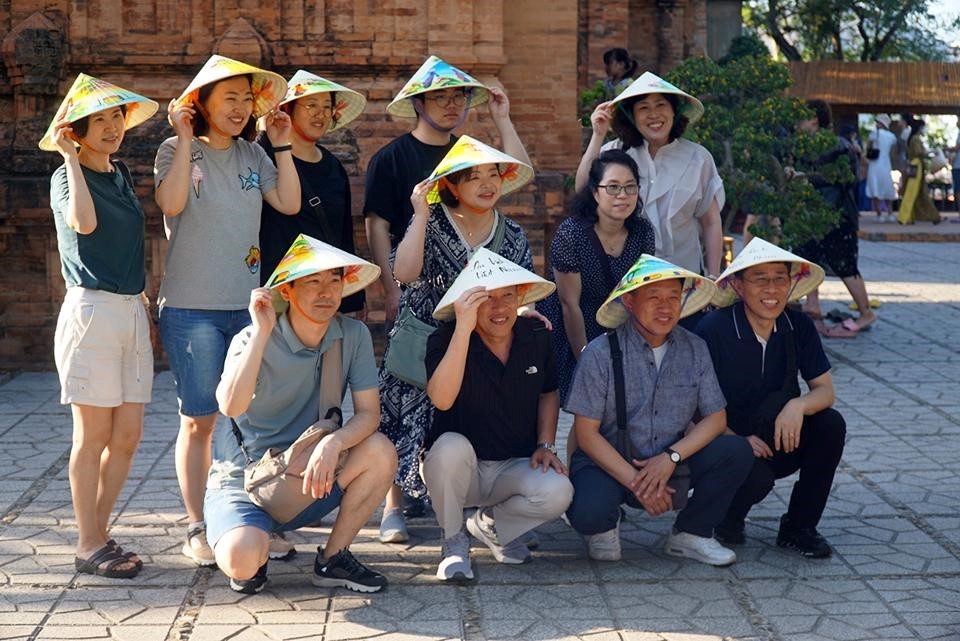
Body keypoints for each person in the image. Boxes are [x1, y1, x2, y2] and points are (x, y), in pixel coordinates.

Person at [154, 55, 301, 566]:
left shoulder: (254, 157)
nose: (239, 109)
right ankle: (197, 524)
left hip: (248, 309)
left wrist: (279, 144)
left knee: (252, 418)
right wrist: (184, 137)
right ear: (202, 103)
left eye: (246, 99)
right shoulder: (176, 150)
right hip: (191, 310)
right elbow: (172, 205)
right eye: (228, 98)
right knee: (199, 420)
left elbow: (288, 202)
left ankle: (253, 516)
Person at [208, 235, 396, 593]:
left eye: (334, 280)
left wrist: (334, 443)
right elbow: (230, 406)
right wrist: (262, 332)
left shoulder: (351, 334)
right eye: (313, 281)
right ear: (288, 291)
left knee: (381, 450)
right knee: (242, 560)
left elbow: (369, 415)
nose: (326, 292)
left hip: (310, 472)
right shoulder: (252, 337)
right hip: (245, 482)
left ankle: (333, 558)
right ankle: (251, 542)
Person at [378, 135, 536, 544]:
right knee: (402, 417)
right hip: (423, 338)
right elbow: (405, 273)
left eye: (492, 175)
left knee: (468, 425)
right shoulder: (431, 222)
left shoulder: (513, 233)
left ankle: (485, 508)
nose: (486, 184)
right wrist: (419, 214)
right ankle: (393, 505)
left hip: (479, 344)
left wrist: (525, 313)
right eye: (472, 177)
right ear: (450, 185)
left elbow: (520, 289)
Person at [40, 74, 159, 579]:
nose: (112, 127)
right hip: (91, 313)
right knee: (92, 435)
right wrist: (69, 158)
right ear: (77, 129)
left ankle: (99, 532)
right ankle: (88, 542)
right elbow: (84, 226)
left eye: (117, 117)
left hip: (130, 309)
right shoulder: (66, 177)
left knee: (128, 435)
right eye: (99, 121)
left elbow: (133, 239)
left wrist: (146, 298)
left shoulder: (121, 173)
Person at [564, 254, 753, 566]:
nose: (665, 307)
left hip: (671, 461)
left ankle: (691, 533)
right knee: (590, 511)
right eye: (653, 297)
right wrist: (639, 484)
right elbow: (586, 435)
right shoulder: (599, 353)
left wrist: (671, 457)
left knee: (736, 450)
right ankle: (604, 527)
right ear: (629, 302)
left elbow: (716, 418)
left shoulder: (695, 347)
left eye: (673, 297)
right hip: (610, 462)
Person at [422, 250, 572, 581]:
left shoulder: (536, 336)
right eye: (485, 298)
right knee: (449, 447)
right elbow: (442, 399)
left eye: (507, 295)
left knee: (559, 490)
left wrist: (546, 443)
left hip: (511, 466)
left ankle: (491, 525)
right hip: (459, 470)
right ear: (468, 301)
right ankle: (452, 540)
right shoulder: (444, 338)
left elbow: (549, 391)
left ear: (521, 297)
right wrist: (463, 329)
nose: (499, 307)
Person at [697, 239, 846, 558]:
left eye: (780, 278)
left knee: (829, 425)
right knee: (754, 474)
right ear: (737, 285)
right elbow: (689, 405)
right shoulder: (714, 329)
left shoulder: (798, 324)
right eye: (760, 278)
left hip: (777, 432)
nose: (772, 288)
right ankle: (726, 517)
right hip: (723, 441)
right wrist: (734, 438)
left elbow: (825, 390)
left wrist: (798, 405)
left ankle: (799, 526)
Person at [364, 55, 531, 326]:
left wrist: (502, 119)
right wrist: (391, 289)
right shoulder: (390, 158)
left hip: (476, 296)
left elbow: (519, 174)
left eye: (458, 96)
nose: (451, 105)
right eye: (440, 97)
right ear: (418, 103)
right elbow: (377, 227)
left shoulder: (468, 154)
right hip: (417, 283)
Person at [575, 71, 724, 329]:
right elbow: (583, 191)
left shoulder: (699, 158)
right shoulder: (615, 152)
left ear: (675, 111)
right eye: (643, 108)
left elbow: (711, 221)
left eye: (660, 105)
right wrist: (598, 135)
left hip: (684, 284)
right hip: (627, 285)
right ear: (632, 116)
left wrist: (712, 276)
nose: (653, 115)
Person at [540, 150, 655, 406]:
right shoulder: (571, 235)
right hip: (572, 326)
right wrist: (586, 359)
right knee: (586, 408)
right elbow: (570, 305)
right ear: (595, 193)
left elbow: (642, 294)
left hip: (617, 323)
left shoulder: (643, 232)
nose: (623, 195)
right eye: (613, 187)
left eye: (630, 187)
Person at [257, 69, 368, 315]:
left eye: (327, 107)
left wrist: (352, 298)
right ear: (288, 111)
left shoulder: (334, 167)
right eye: (311, 105)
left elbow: (343, 235)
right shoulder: (263, 157)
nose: (321, 114)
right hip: (275, 290)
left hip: (322, 292)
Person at [794, 99, 876, 335]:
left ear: (814, 119)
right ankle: (813, 307)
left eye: (802, 116)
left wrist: (805, 178)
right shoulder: (802, 145)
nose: (797, 122)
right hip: (810, 214)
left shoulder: (839, 145)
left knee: (845, 265)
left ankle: (866, 313)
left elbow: (846, 179)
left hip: (837, 215)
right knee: (809, 259)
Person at [897, 119, 943, 225]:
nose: (925, 129)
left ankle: (911, 217)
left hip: (916, 165)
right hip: (916, 166)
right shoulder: (916, 139)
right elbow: (918, 152)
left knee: (917, 192)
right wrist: (931, 151)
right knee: (911, 191)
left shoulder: (914, 138)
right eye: (923, 127)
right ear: (919, 128)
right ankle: (904, 217)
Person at [865, 115, 897, 223]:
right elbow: (893, 152)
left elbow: (868, 147)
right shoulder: (892, 136)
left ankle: (879, 215)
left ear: (881, 123)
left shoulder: (874, 134)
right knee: (887, 188)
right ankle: (891, 214)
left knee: (875, 189)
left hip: (875, 164)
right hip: (886, 164)